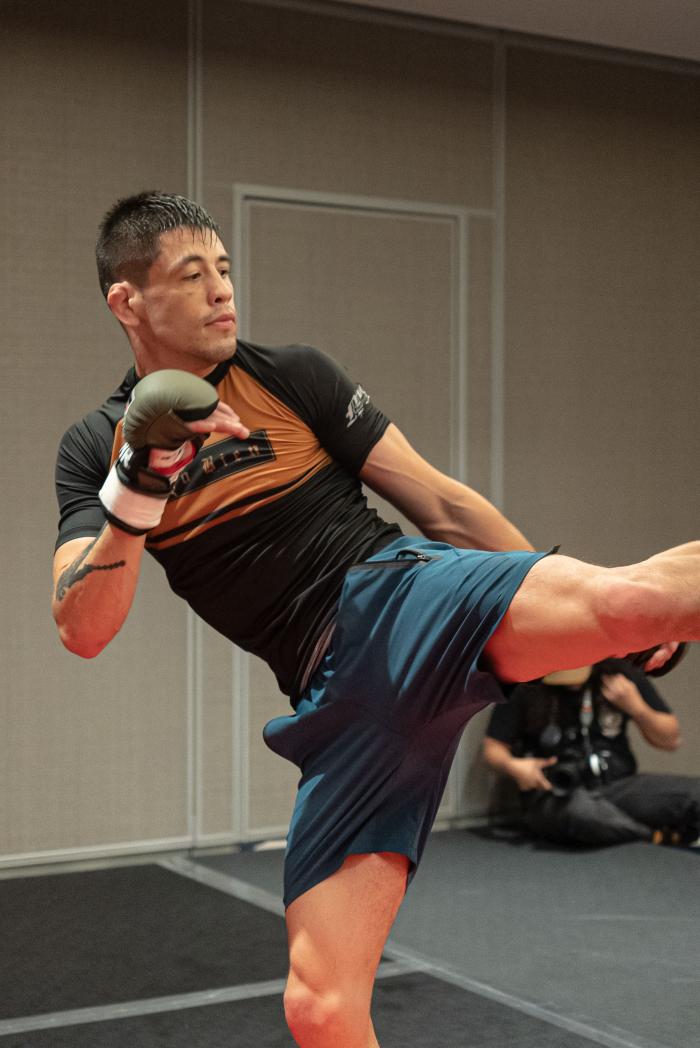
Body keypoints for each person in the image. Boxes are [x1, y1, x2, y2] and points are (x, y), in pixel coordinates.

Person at [51, 191, 698, 1048]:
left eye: (225, 269)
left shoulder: (290, 374)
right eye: (191, 273)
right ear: (126, 302)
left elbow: (442, 504)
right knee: (320, 1006)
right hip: (339, 703)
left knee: (635, 599)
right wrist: (137, 488)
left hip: (396, 597)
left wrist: (595, 613)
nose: (221, 291)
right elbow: (83, 627)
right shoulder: (98, 445)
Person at [483, 660, 700, 847]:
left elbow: (671, 740)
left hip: (616, 786)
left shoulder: (617, 675)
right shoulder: (527, 682)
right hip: (555, 793)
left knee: (695, 793)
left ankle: (624, 828)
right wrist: (515, 766)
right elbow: (493, 747)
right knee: (581, 813)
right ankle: (655, 836)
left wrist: (637, 707)